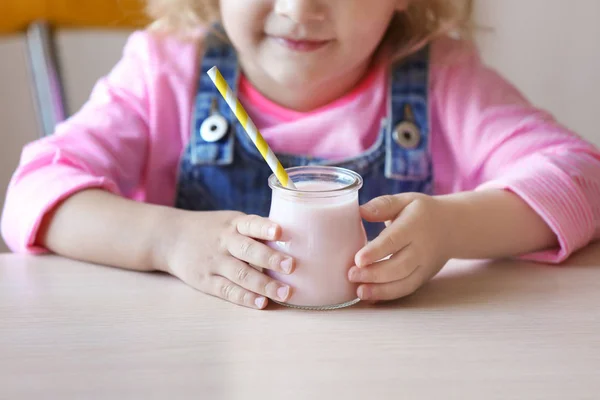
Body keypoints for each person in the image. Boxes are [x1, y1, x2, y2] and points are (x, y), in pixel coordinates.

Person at [2, 0, 600, 310]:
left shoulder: (442, 79)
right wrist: (167, 239)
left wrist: (453, 228)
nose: (300, 7)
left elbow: (582, 178)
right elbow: (34, 191)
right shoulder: (167, 71)